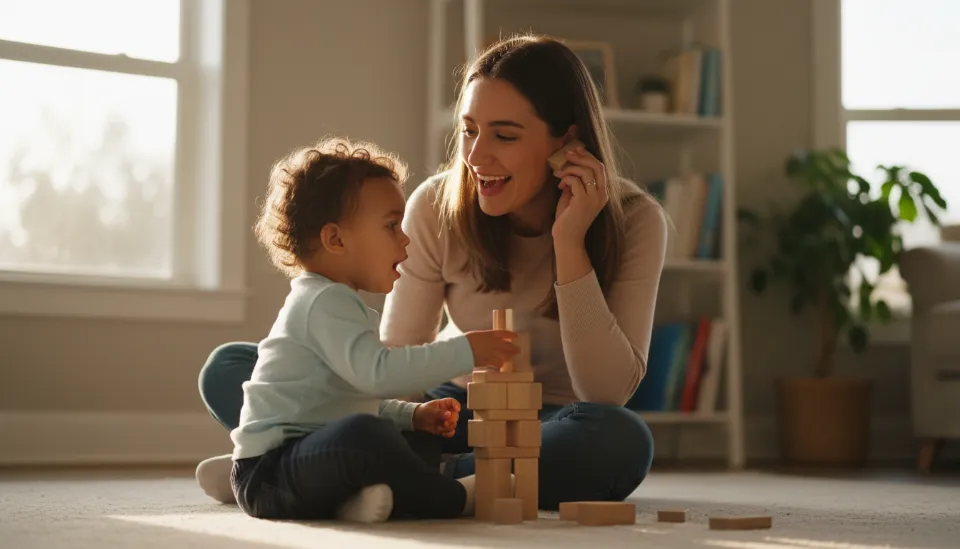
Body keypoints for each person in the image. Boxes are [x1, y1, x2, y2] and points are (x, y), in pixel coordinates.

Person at [197, 33, 667, 512]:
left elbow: (606, 393)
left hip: (555, 421)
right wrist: (414, 415)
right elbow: (394, 364)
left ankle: (335, 470)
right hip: (449, 410)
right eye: (468, 130)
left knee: (621, 440)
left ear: (566, 141)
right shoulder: (435, 206)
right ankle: (380, 468)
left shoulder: (636, 220)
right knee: (232, 367)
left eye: (504, 136)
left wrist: (569, 242)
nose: (477, 157)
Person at [220, 137, 520, 522]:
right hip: (271, 472)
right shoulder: (323, 302)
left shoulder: (340, 302)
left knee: (398, 436)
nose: (406, 239)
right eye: (392, 226)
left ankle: (354, 501)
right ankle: (450, 497)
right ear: (336, 239)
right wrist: (467, 351)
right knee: (365, 437)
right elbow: (378, 375)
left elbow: (351, 396)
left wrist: (411, 416)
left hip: (301, 461)